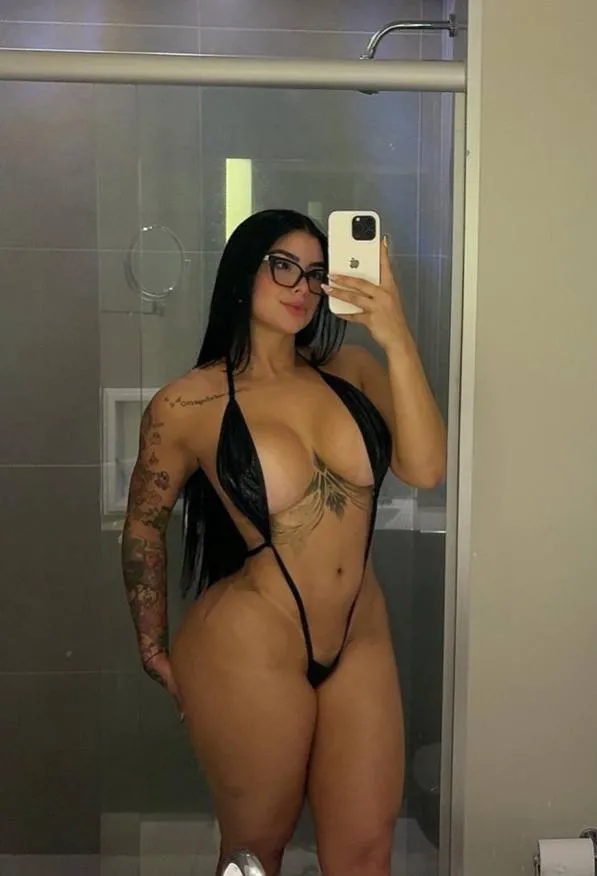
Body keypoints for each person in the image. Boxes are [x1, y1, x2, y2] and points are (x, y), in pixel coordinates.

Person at [121, 209, 446, 876]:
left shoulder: (352, 369)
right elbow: (144, 525)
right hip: (253, 641)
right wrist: (152, 646)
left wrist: (394, 333)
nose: (302, 286)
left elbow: (425, 469)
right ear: (244, 273)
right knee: (253, 854)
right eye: (283, 266)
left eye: (316, 273)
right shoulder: (188, 404)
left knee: (365, 854)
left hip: (359, 636)